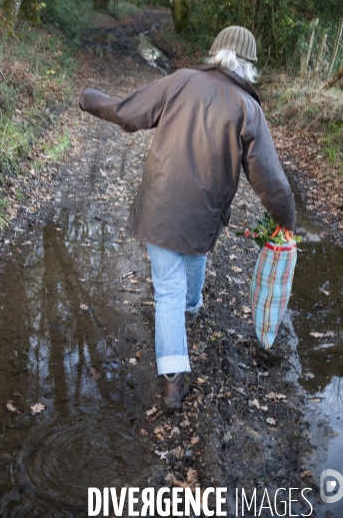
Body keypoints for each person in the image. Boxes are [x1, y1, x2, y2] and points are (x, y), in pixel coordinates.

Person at [79, 26, 295, 409]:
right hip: (204, 210)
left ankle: (174, 379)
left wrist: (90, 99)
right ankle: (190, 313)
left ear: (215, 55)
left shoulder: (180, 81)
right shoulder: (248, 109)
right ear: (248, 66)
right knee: (193, 256)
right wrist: (286, 219)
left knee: (167, 288)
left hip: (160, 203)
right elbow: (270, 180)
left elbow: (127, 112)